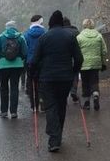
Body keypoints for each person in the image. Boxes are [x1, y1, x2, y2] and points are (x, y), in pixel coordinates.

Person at [29, 10, 83, 152]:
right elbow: (79, 58)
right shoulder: (70, 37)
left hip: (47, 79)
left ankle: (54, 139)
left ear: (50, 23)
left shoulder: (44, 37)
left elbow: (34, 60)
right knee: (61, 105)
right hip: (65, 78)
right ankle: (57, 136)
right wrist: (74, 72)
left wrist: (32, 74)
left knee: (50, 107)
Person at [0, 20, 27, 119]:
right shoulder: (20, 37)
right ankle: (14, 112)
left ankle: (4, 111)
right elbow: (25, 52)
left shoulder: (1, 37)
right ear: (15, 27)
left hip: (3, 66)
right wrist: (20, 59)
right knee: (14, 88)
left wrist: (1, 59)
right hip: (17, 66)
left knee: (4, 88)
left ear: (6, 27)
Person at [76, 18, 108, 111]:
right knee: (94, 81)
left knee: (85, 83)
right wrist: (101, 60)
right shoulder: (98, 36)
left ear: (84, 25)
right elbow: (104, 51)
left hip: (83, 64)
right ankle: (95, 95)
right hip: (95, 63)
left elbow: (76, 51)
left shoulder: (79, 37)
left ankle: (86, 103)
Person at [23, 14, 46, 112]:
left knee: (31, 83)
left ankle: (34, 106)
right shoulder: (45, 33)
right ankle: (42, 101)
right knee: (42, 82)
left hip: (30, 62)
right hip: (42, 62)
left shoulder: (26, 34)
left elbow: (24, 50)